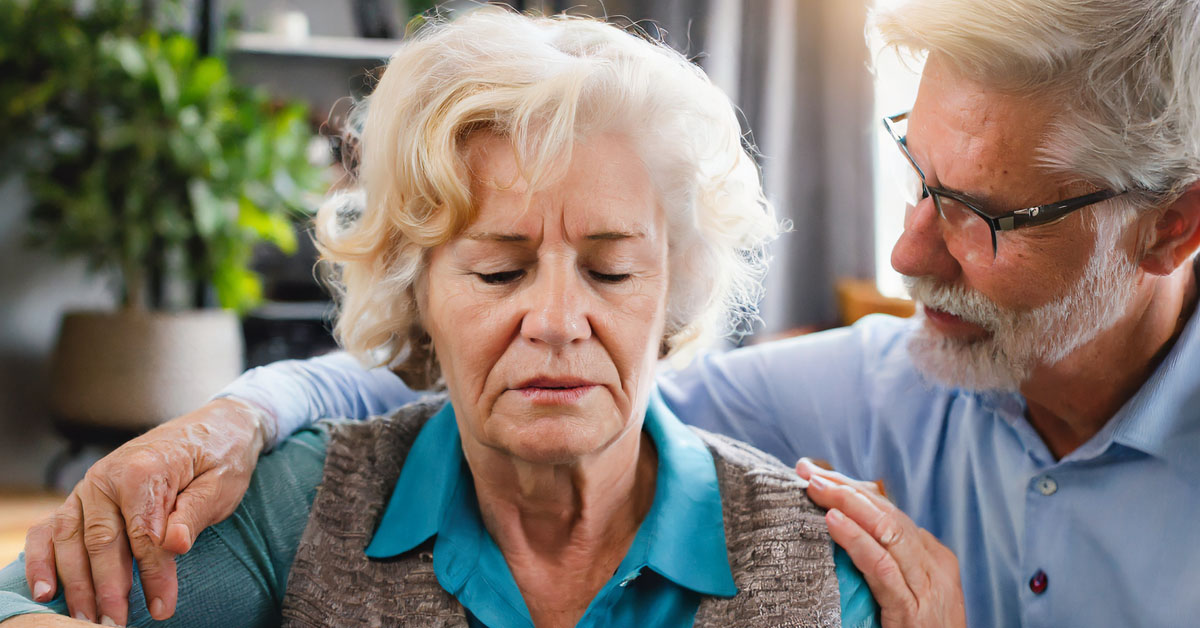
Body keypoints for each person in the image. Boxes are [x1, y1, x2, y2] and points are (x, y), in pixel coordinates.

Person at [19, 0, 1200, 625]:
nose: (903, 251)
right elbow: (437, 401)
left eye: (982, 213)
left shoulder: (806, 558)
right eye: (915, 175)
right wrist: (230, 422)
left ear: (1168, 227)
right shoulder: (870, 382)